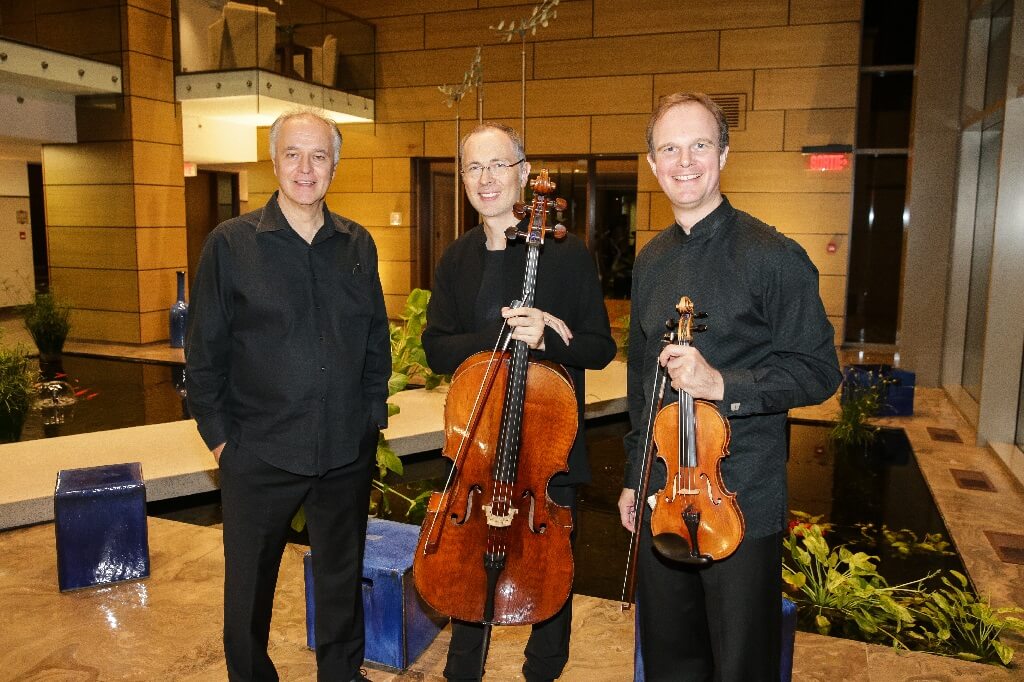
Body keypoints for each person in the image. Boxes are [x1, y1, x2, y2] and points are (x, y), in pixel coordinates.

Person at [617, 93, 841, 681]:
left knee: (743, 667)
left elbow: (819, 371)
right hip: (664, 498)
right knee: (670, 663)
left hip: (740, 498)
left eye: (698, 145)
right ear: (651, 163)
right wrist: (633, 479)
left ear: (723, 154)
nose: (683, 160)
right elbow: (643, 388)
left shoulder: (774, 256)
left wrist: (723, 383)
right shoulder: (651, 260)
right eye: (669, 148)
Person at [185, 109, 390, 682]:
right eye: (294, 154)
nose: (306, 168)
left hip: (345, 448)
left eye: (319, 155)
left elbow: (375, 335)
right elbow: (204, 353)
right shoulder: (230, 246)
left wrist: (371, 417)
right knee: (248, 588)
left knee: (341, 579)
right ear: (273, 162)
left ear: (335, 165)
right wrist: (222, 441)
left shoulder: (358, 244)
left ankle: (341, 674)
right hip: (259, 450)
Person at [422, 122, 617, 682]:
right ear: (463, 178)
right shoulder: (457, 259)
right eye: (473, 168)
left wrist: (549, 338)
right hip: (477, 447)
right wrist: (500, 336)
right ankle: (462, 673)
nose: (486, 180)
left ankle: (543, 672)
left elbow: (600, 347)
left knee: (549, 573)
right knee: (467, 566)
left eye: (498, 166)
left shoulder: (566, 255)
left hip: (545, 453)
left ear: (524, 174)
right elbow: (436, 349)